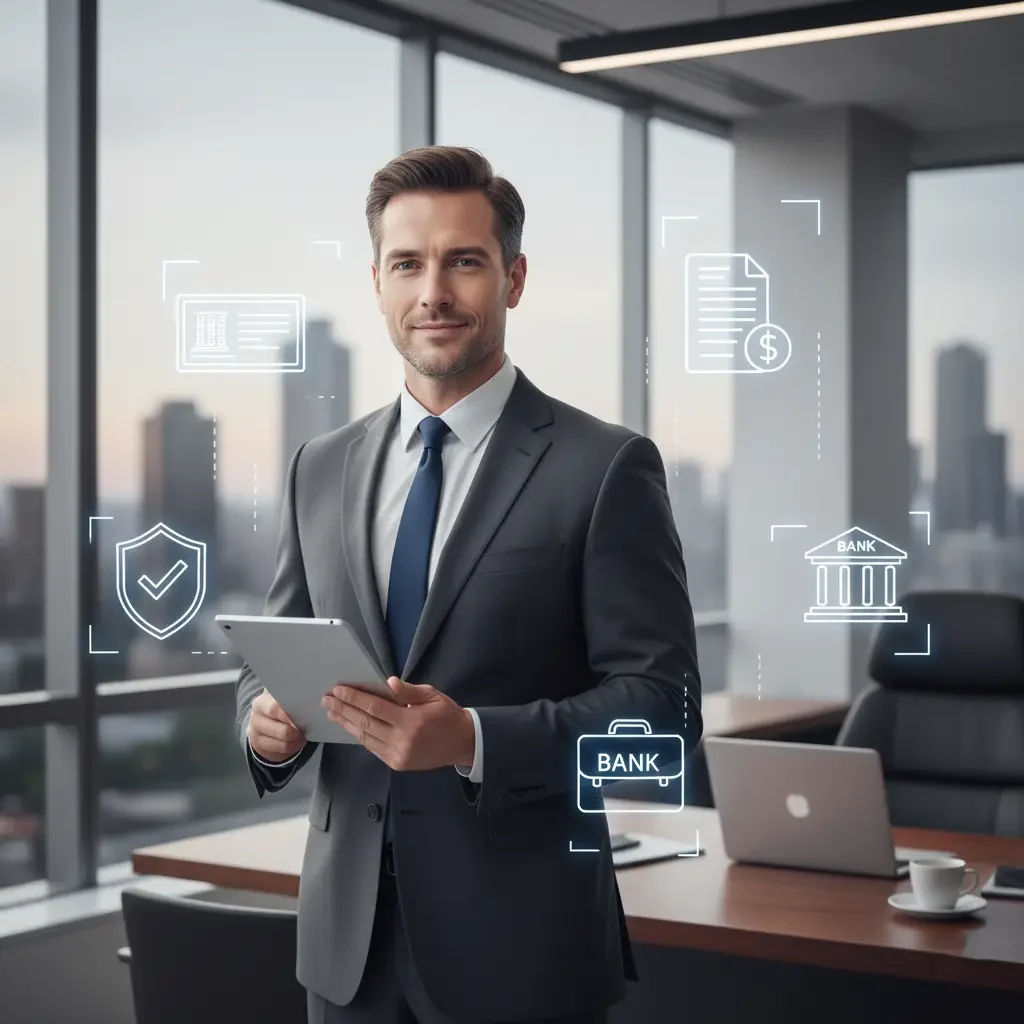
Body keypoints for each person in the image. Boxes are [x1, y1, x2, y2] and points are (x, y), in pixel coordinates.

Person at [236, 144, 703, 1024]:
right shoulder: (319, 466)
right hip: (346, 952)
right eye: (407, 264)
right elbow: (271, 659)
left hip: (522, 952)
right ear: (376, 282)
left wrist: (474, 739)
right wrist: (266, 728)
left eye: (464, 262)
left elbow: (664, 717)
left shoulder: (604, 466)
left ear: (513, 279)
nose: (433, 293)